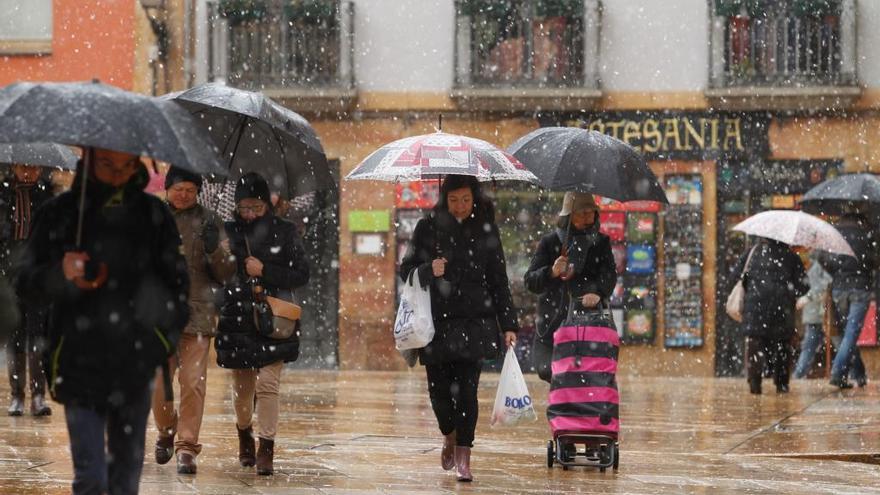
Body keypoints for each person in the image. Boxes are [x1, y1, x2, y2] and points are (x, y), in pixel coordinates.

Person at [17, 148, 190, 495]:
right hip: (78, 358)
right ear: (90, 161)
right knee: (90, 477)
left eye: (126, 165)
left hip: (134, 361)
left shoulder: (152, 216)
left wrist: (159, 340)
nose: (117, 174)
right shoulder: (60, 213)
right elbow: (25, 284)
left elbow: (178, 289)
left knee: (126, 477)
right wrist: (60, 273)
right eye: (107, 165)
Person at [399, 175, 518, 482]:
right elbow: (406, 269)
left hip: (475, 322)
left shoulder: (486, 230)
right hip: (435, 325)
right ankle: (449, 434)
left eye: (466, 200)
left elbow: (498, 280)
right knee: (439, 393)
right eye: (453, 200)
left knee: (467, 392)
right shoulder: (428, 228)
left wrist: (509, 324)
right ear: (444, 199)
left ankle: (464, 454)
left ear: (474, 198)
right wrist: (427, 269)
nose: (460, 206)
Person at [215, 172, 310, 476]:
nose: (251, 213)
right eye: (245, 207)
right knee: (243, 391)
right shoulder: (226, 232)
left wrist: (264, 269)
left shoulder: (285, 231)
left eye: (256, 206)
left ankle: (266, 447)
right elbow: (216, 274)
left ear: (267, 204)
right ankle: (245, 433)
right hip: (239, 318)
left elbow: (301, 274)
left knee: (268, 384)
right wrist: (221, 253)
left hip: (274, 320)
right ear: (236, 206)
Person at [152, 167, 235, 474]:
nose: (183, 194)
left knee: (193, 382)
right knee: (159, 384)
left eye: (189, 189)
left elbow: (226, 271)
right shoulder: (154, 218)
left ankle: (187, 446)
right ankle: (166, 430)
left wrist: (215, 249)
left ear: (197, 191)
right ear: (168, 189)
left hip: (198, 314)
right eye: (178, 189)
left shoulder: (211, 220)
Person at [523, 192, 617, 383]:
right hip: (552, 323)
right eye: (582, 213)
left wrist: (597, 292)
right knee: (547, 370)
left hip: (587, 322)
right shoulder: (550, 243)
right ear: (568, 215)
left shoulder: (601, 242)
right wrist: (551, 272)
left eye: (591, 213)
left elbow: (609, 275)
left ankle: (571, 408)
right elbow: (530, 281)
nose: (588, 217)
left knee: (584, 377)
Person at [0, 164, 54, 416]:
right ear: (14, 167)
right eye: (24, 168)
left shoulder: (47, 196)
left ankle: (39, 395)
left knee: (38, 336)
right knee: (16, 337)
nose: (29, 173)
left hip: (39, 278)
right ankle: (17, 394)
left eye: (34, 168)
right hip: (10, 277)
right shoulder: (4, 194)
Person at [732, 237, 808, 394]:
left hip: (755, 307)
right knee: (782, 344)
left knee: (755, 343)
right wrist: (790, 291)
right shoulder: (791, 257)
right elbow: (804, 286)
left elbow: (735, 276)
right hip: (782, 308)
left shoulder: (752, 253)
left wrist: (751, 285)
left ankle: (755, 382)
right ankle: (781, 383)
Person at [818, 212, 875, 389]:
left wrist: (835, 271)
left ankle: (858, 374)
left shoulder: (833, 232)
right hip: (860, 288)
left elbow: (821, 257)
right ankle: (837, 372)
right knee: (851, 333)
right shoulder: (867, 234)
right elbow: (874, 261)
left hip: (839, 288)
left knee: (847, 334)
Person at [793, 251, 833, 379]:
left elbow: (822, 286)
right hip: (816, 314)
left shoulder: (814, 269)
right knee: (811, 346)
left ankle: (798, 375)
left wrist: (807, 297)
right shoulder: (810, 269)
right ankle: (853, 372)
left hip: (817, 314)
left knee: (809, 347)